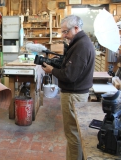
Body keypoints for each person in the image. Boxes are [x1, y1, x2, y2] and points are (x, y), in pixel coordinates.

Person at [42, 15, 95, 160]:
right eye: (62, 32)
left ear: (76, 28)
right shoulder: (80, 43)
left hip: (73, 94)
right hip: (76, 93)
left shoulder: (81, 45)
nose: (64, 35)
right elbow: (72, 68)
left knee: (72, 134)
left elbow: (70, 75)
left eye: (66, 32)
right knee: (74, 133)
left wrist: (51, 70)